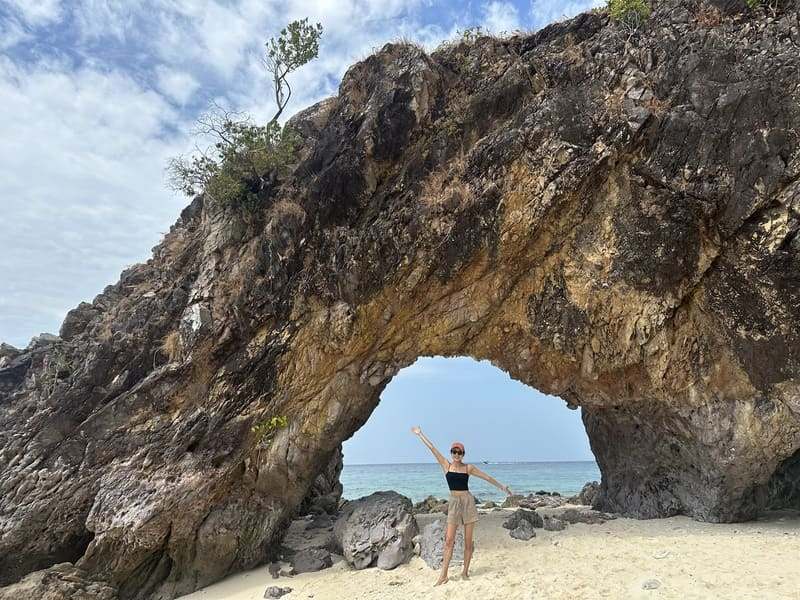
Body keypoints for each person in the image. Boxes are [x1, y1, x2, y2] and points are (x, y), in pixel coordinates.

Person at [411, 426, 513, 586]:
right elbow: (432, 448)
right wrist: (420, 434)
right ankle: (443, 575)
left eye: (460, 452)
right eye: (454, 451)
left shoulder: (468, 468)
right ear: (451, 453)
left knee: (468, 541)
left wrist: (502, 487)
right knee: (449, 540)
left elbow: (486, 477)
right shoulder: (446, 465)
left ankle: (465, 572)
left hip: (468, 503)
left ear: (463, 454)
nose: (457, 454)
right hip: (453, 503)